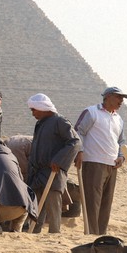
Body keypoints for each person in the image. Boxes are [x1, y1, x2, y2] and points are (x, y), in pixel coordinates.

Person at [75, 87, 127, 235]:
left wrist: (121, 156)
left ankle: (101, 233)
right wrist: (79, 151)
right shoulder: (92, 112)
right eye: (119, 97)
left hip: (112, 164)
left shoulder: (119, 119)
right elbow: (78, 132)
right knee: (92, 201)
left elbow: (121, 140)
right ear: (108, 97)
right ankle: (92, 233)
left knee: (106, 202)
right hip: (93, 162)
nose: (121, 101)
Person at [26, 93, 82, 233]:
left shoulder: (60, 121)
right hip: (38, 173)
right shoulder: (40, 124)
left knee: (53, 208)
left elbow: (75, 142)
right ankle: (34, 234)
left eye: (34, 109)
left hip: (53, 172)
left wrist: (59, 160)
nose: (32, 113)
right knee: (36, 209)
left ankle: (54, 235)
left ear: (42, 108)